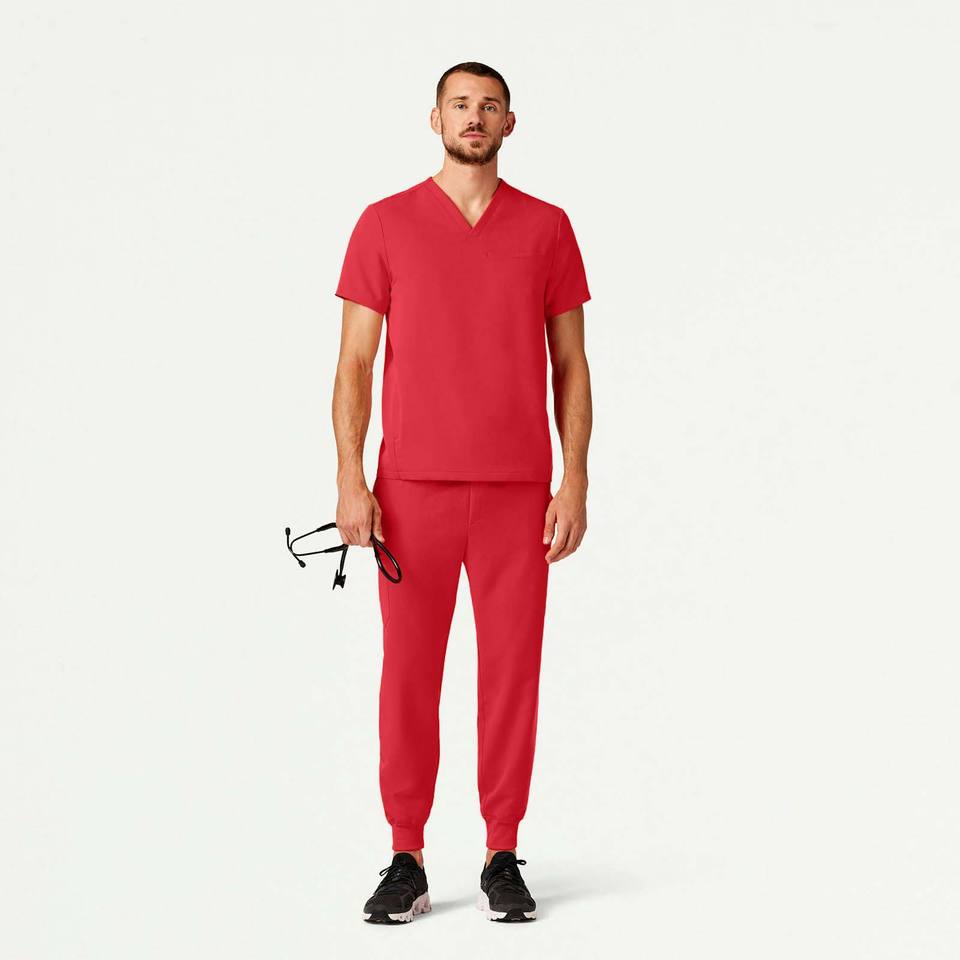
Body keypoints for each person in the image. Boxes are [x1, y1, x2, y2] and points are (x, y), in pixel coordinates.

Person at [332, 61, 593, 924]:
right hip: (411, 489)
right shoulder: (385, 223)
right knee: (408, 676)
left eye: (488, 106)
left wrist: (574, 480)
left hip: (518, 490)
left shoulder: (547, 228)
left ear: (510, 123)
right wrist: (351, 478)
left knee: (511, 675)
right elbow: (355, 363)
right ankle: (406, 854)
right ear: (434, 118)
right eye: (459, 105)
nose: (473, 117)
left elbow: (571, 364)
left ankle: (501, 850)